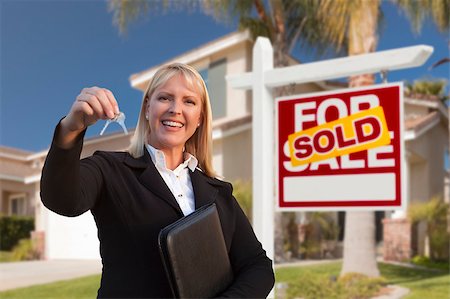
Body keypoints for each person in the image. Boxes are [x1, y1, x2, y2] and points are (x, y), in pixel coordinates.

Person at [40, 62, 275, 298]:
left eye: (189, 101)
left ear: (200, 118)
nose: (176, 109)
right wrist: (71, 128)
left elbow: (257, 266)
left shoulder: (219, 192)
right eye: (165, 98)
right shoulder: (110, 169)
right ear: (146, 108)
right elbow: (62, 199)